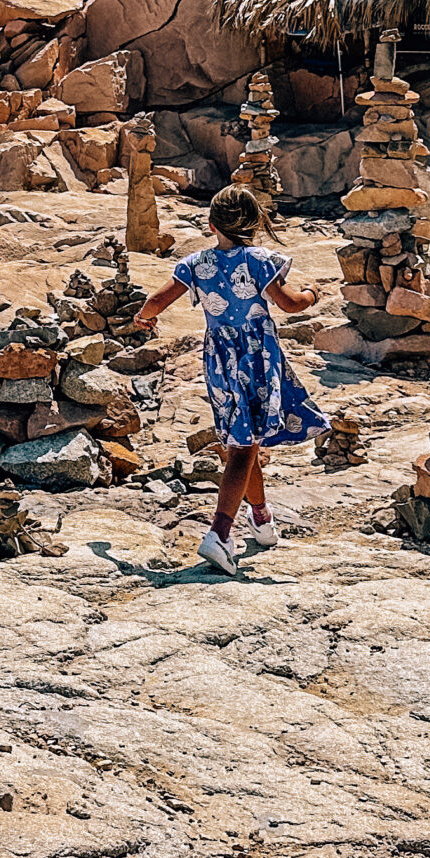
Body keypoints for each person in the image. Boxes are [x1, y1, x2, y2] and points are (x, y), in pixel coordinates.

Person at [130, 185, 327, 574]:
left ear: (211, 225)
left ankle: (261, 518)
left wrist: (144, 318)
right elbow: (290, 304)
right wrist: (312, 294)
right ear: (254, 225)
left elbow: (156, 301)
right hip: (257, 360)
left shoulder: (196, 263)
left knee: (245, 438)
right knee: (242, 447)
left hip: (220, 361)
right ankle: (219, 534)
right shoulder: (259, 260)